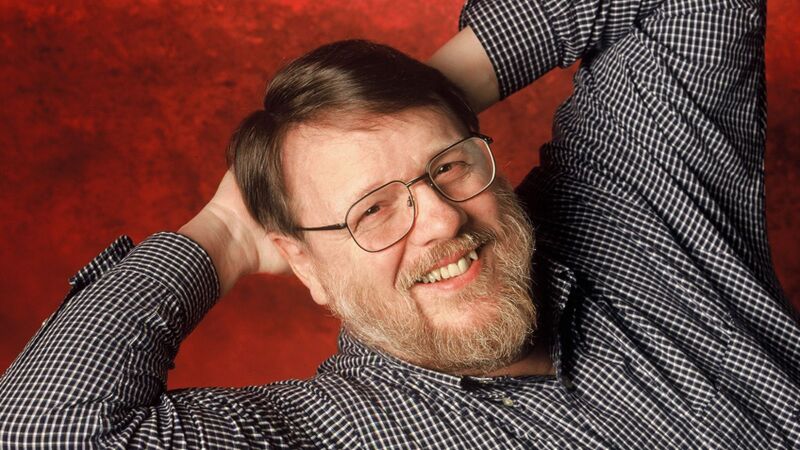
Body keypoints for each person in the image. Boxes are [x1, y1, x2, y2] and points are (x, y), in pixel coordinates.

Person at [1, 0, 798, 448]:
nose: (441, 218)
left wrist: (417, 92)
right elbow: (42, 430)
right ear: (304, 265)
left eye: (447, 166)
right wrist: (224, 233)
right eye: (372, 209)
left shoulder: (636, 204)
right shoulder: (327, 435)